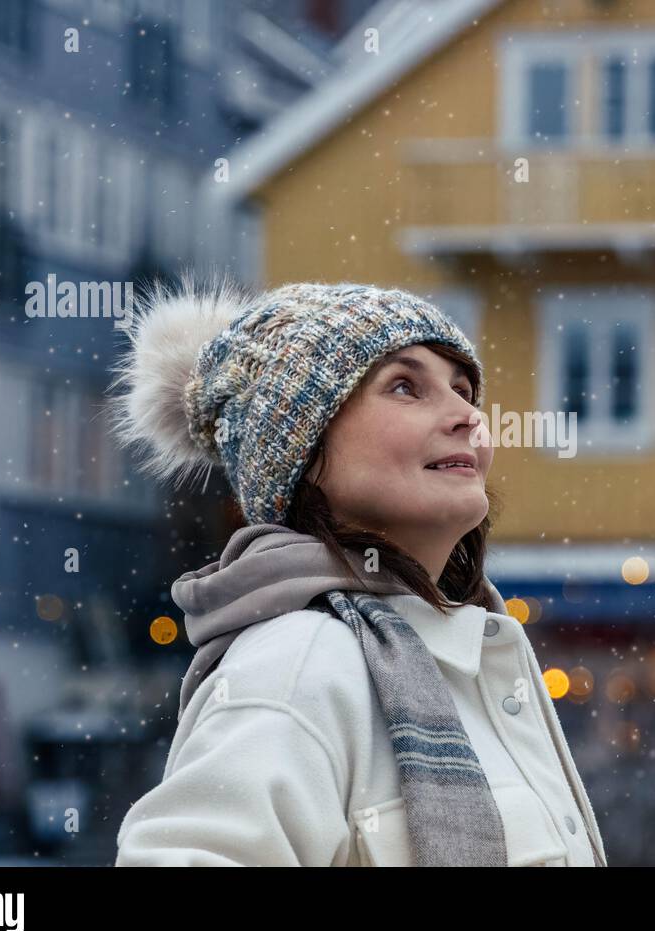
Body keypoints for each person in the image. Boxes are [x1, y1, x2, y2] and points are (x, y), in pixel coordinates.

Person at [106, 278, 607, 866]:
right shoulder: (302, 662)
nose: (468, 416)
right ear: (302, 451)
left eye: (464, 389)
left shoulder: (476, 658)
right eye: (405, 386)